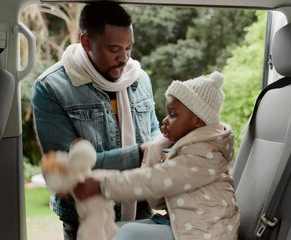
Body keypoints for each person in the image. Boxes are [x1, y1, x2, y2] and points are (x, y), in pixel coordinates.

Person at [31, 2, 161, 240]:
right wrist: (142, 154)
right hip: (88, 215)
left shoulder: (140, 78)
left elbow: (154, 132)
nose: (124, 58)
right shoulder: (50, 87)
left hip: (141, 204)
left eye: (129, 48)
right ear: (86, 42)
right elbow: (70, 168)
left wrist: (164, 151)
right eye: (114, 49)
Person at [74, 71, 240, 240]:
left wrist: (104, 186)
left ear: (198, 121)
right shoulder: (186, 150)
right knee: (113, 231)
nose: (165, 120)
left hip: (206, 233)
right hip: (184, 224)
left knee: (128, 234)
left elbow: (153, 180)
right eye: (167, 114)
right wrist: (155, 148)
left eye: (173, 115)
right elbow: (157, 200)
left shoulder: (204, 155)